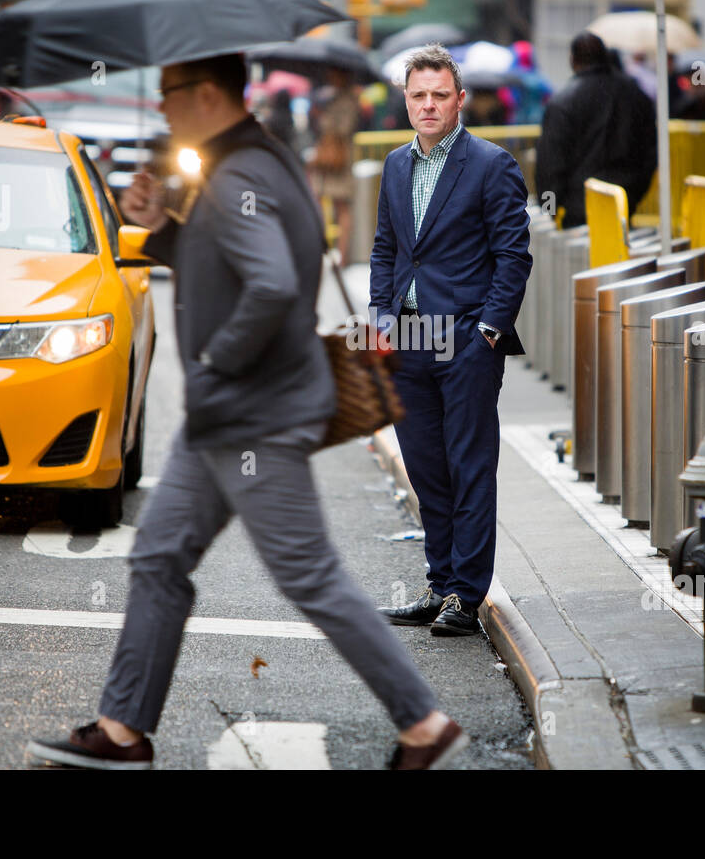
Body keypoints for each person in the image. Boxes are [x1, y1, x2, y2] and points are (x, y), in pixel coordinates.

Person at [27, 53, 467, 770]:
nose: (163, 109)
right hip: (226, 418)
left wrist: (213, 362)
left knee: (310, 575)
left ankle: (425, 725)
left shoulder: (239, 178)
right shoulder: (263, 157)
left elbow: (268, 286)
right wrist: (161, 225)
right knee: (159, 556)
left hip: (250, 415)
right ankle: (122, 731)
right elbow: (236, 261)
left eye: (170, 94)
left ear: (205, 94)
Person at [370, 44, 531, 636]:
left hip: (466, 338)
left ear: (460, 100)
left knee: (468, 465)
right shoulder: (394, 165)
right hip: (409, 338)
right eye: (419, 96)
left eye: (440, 94)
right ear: (406, 101)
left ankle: (468, 594)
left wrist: (488, 329)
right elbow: (386, 249)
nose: (429, 105)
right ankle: (441, 585)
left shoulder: (491, 164)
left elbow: (514, 255)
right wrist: (380, 316)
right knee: (425, 468)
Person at [535, 31, 656, 228]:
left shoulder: (563, 102)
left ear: (573, 60)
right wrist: (635, 193)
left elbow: (550, 163)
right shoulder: (637, 95)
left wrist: (550, 210)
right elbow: (651, 153)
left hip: (578, 211)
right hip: (624, 204)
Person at [309, 66, 359, 258]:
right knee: (322, 202)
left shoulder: (348, 100)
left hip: (340, 158)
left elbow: (343, 128)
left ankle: (342, 253)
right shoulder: (332, 98)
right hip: (328, 159)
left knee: (341, 206)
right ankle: (325, 249)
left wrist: (324, 119)